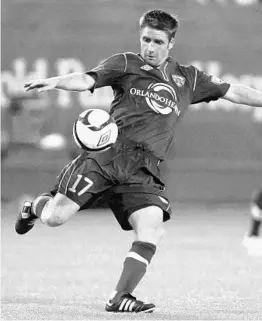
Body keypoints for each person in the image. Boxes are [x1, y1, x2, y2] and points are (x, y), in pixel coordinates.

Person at [15, 9, 262, 313]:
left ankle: (120, 296)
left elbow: (234, 91)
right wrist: (56, 82)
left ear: (170, 43)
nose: (150, 47)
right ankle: (33, 206)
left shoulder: (189, 78)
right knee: (54, 217)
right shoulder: (126, 63)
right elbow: (87, 78)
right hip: (108, 155)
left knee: (151, 227)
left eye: (157, 41)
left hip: (145, 168)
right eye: (146, 39)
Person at [242, 189, 262, 256]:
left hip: (257, 208)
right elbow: (256, 204)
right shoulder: (259, 195)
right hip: (258, 209)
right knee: (255, 229)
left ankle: (251, 240)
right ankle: (251, 241)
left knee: (255, 228)